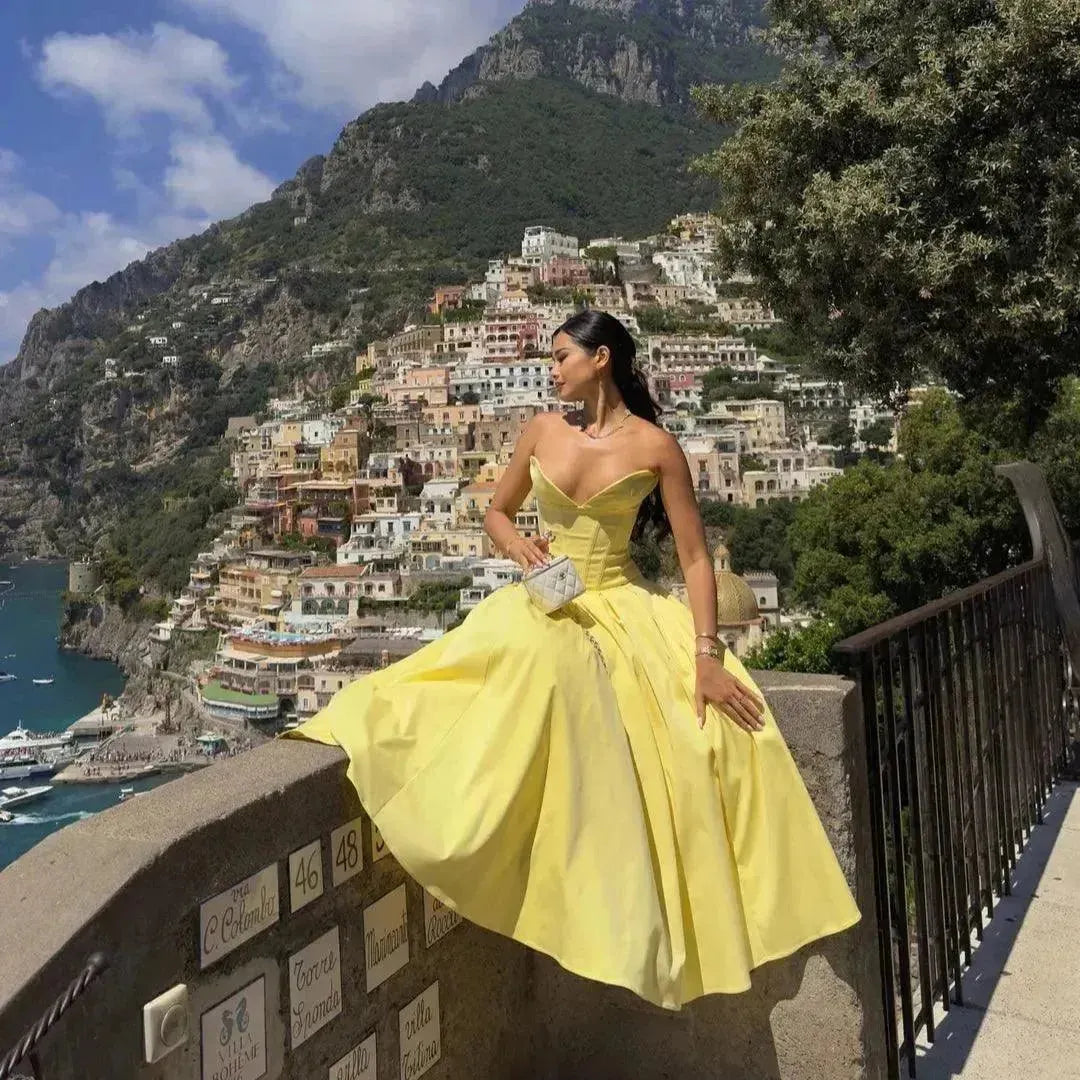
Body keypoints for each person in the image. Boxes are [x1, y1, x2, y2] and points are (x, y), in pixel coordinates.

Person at [281, 310, 860, 1009]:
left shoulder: (656, 446)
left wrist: (707, 655)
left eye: (561, 356)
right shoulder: (541, 431)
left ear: (601, 358)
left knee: (704, 739)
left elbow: (695, 558)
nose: (551, 369)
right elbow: (496, 513)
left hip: (622, 604)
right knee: (463, 694)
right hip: (544, 600)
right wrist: (519, 547)